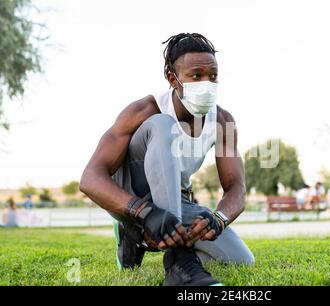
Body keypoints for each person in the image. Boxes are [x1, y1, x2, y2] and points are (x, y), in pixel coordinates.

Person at [80, 33, 254, 286]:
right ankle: (178, 264)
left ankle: (135, 238)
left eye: (213, 76)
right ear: (173, 79)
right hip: (132, 195)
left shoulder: (222, 122)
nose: (207, 83)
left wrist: (217, 219)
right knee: (164, 125)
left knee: (240, 259)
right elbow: (90, 178)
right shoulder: (145, 110)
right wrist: (144, 212)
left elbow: (237, 188)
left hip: (176, 199)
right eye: (196, 76)